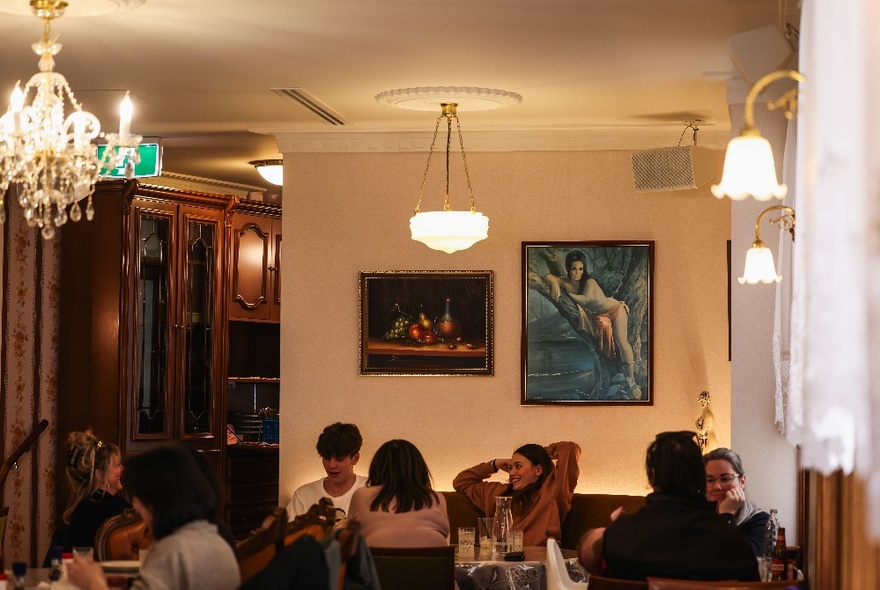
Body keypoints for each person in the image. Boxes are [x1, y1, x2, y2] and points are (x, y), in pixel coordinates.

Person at [577, 431, 759, 582]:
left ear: (652, 476)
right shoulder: (733, 539)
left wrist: (620, 527)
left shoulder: (618, 537)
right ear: (700, 478)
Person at [67, 441, 240, 590]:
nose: (134, 505)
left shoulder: (173, 550)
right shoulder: (216, 537)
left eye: (139, 496)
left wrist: (93, 582)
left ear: (158, 498)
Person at [543, 250, 640, 396]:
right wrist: (555, 284)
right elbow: (547, 276)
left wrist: (566, 293)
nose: (577, 273)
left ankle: (631, 380)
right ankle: (614, 380)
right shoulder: (566, 281)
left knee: (622, 342)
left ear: (584, 269)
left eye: (580, 269)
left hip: (615, 310)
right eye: (573, 269)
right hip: (598, 316)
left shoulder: (590, 282)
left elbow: (586, 300)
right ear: (568, 268)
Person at [453, 441, 580, 547]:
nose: (512, 472)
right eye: (510, 467)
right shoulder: (499, 493)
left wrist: (542, 452)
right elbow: (461, 482)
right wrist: (494, 464)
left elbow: (570, 448)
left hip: (538, 562)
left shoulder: (552, 490)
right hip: (502, 561)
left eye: (518, 466)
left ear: (538, 469)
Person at [348, 439, 448, 547]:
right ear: (418, 468)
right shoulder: (437, 498)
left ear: (377, 468)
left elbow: (347, 540)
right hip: (430, 563)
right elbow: (445, 536)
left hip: (377, 563)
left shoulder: (361, 495)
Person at [287, 422, 367, 526]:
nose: (332, 465)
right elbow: (287, 537)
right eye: (327, 458)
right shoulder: (303, 496)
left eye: (339, 458)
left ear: (355, 458)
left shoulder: (372, 490)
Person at [63, 430, 131, 550]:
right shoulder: (110, 509)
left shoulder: (83, 506)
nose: (122, 468)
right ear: (99, 474)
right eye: (117, 465)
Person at [703, 446, 769, 557]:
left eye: (725, 479)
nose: (717, 486)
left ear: (742, 481)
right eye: (710, 480)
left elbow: (743, 560)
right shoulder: (698, 518)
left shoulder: (761, 521)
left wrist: (726, 514)